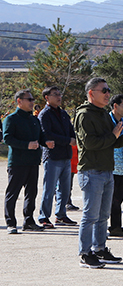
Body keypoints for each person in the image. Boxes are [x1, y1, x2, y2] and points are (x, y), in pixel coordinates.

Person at [74, 78, 123, 268]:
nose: (108, 93)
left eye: (108, 90)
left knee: (103, 216)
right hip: (91, 171)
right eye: (104, 90)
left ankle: (100, 249)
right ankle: (85, 253)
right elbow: (91, 143)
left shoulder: (102, 113)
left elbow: (111, 142)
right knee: (90, 215)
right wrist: (114, 136)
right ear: (91, 93)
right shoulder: (84, 115)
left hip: (106, 170)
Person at [4, 90, 51, 234]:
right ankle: (11, 223)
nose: (32, 102)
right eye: (29, 99)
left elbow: (41, 136)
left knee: (31, 193)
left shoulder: (34, 119)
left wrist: (46, 142)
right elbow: (7, 139)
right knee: (13, 193)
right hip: (17, 162)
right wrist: (26, 145)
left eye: (32, 99)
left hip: (33, 162)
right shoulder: (11, 119)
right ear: (19, 101)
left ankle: (29, 221)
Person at [37, 86, 77, 228]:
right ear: (46, 97)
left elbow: (72, 131)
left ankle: (61, 215)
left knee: (65, 189)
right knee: (49, 188)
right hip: (52, 156)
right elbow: (46, 134)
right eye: (55, 94)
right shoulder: (44, 114)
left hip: (66, 156)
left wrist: (73, 139)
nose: (59, 97)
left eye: (59, 94)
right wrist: (68, 141)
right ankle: (44, 217)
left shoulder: (64, 113)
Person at [108, 94, 123, 237]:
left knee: (118, 198)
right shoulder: (106, 122)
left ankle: (116, 226)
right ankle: (114, 227)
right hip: (111, 167)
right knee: (111, 200)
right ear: (115, 106)